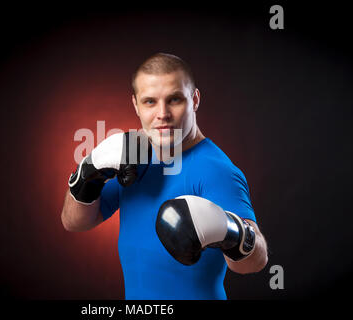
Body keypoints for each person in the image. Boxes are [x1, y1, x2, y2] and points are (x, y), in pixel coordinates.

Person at [61, 53, 268, 299]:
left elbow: (254, 262)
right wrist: (88, 172)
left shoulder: (215, 170)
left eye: (175, 99)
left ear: (195, 100)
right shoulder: (131, 156)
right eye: (150, 102)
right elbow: (75, 221)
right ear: (136, 104)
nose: (163, 114)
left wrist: (231, 231)